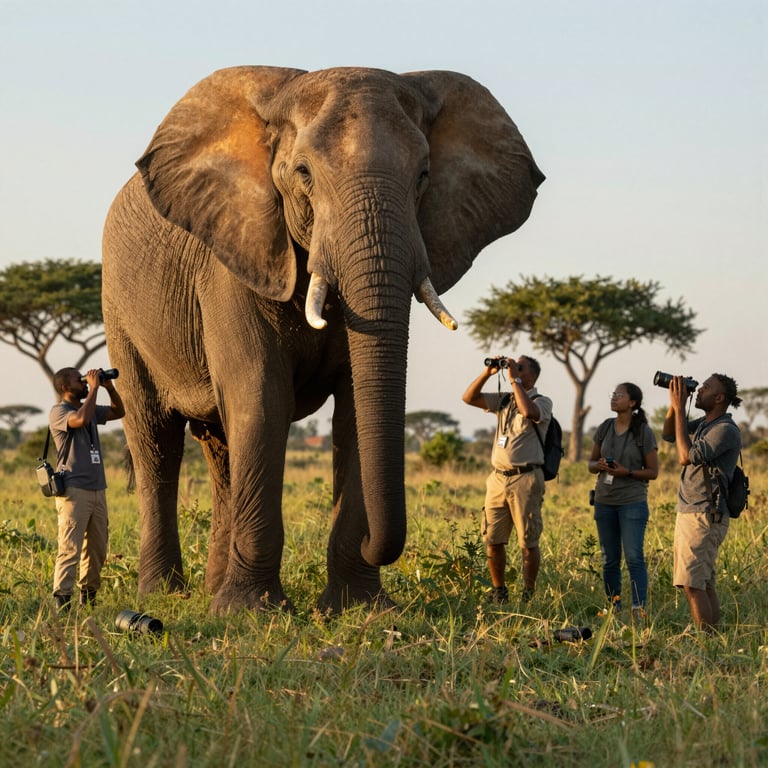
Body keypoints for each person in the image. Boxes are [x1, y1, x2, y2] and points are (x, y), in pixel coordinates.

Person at [463, 355, 552, 604]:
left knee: (528, 541)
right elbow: (469, 398)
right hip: (497, 479)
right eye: (512, 366)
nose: (512, 369)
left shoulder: (541, 401)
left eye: (519, 367)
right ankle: (499, 590)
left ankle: (528, 593)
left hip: (525, 478)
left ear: (531, 375)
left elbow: (529, 412)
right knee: (492, 538)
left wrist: (514, 380)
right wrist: (487, 373)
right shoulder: (504, 400)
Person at [662, 373, 742, 631]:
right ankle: (714, 638)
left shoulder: (724, 430)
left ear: (719, 398)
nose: (699, 391)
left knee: (692, 583)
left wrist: (679, 404)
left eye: (706, 388)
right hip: (695, 511)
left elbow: (685, 456)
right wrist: (675, 405)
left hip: (704, 513)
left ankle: (706, 643)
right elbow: (669, 434)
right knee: (702, 581)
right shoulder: (707, 424)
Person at [49, 368, 125, 611]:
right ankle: (63, 601)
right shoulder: (59, 412)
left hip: (97, 489)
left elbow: (119, 412)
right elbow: (79, 420)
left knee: (97, 549)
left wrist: (108, 388)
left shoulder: (90, 410)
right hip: (74, 490)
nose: (83, 380)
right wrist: (93, 389)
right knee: (70, 548)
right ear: (64, 388)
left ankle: (88, 598)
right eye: (77, 379)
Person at [587, 383, 658, 621]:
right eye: (613, 394)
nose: (614, 398)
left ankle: (639, 609)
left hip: (632, 502)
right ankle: (612, 607)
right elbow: (590, 463)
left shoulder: (643, 432)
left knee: (634, 557)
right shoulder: (605, 427)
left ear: (632, 403)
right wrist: (598, 466)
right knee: (609, 559)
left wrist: (626, 472)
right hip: (604, 501)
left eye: (619, 395)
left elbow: (653, 472)